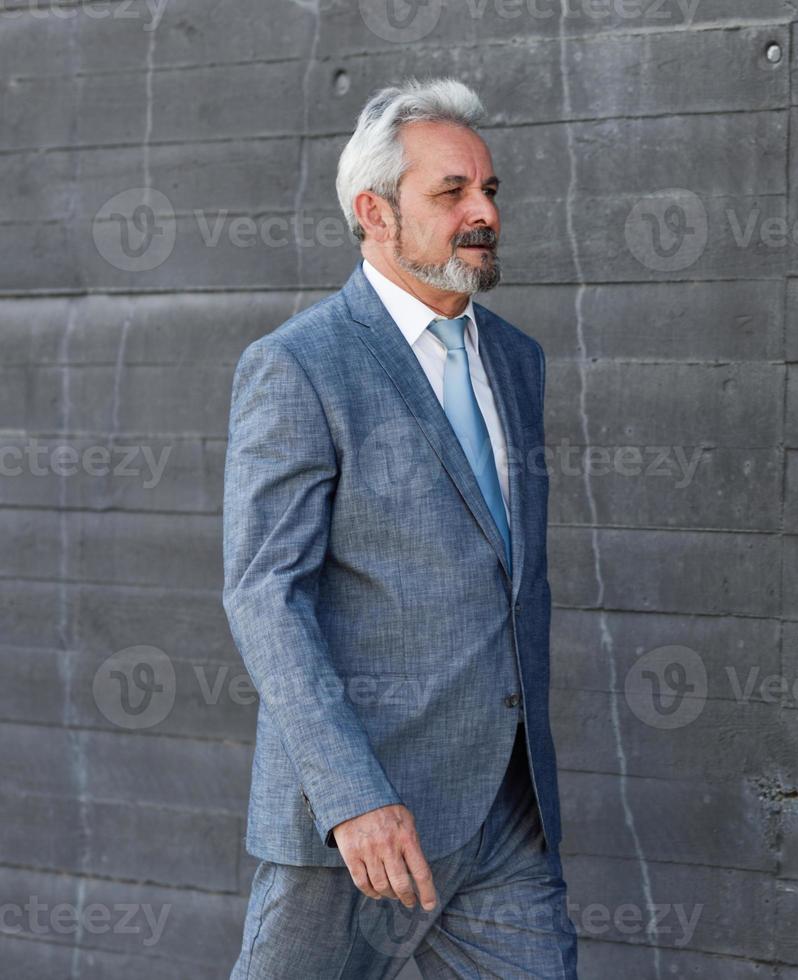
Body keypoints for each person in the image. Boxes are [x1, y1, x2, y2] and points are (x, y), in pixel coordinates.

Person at [223, 77, 576, 978]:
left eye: (489, 190)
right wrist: (349, 798)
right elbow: (266, 594)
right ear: (374, 211)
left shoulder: (516, 360)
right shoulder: (299, 366)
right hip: (361, 821)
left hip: (504, 812)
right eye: (451, 192)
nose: (482, 211)